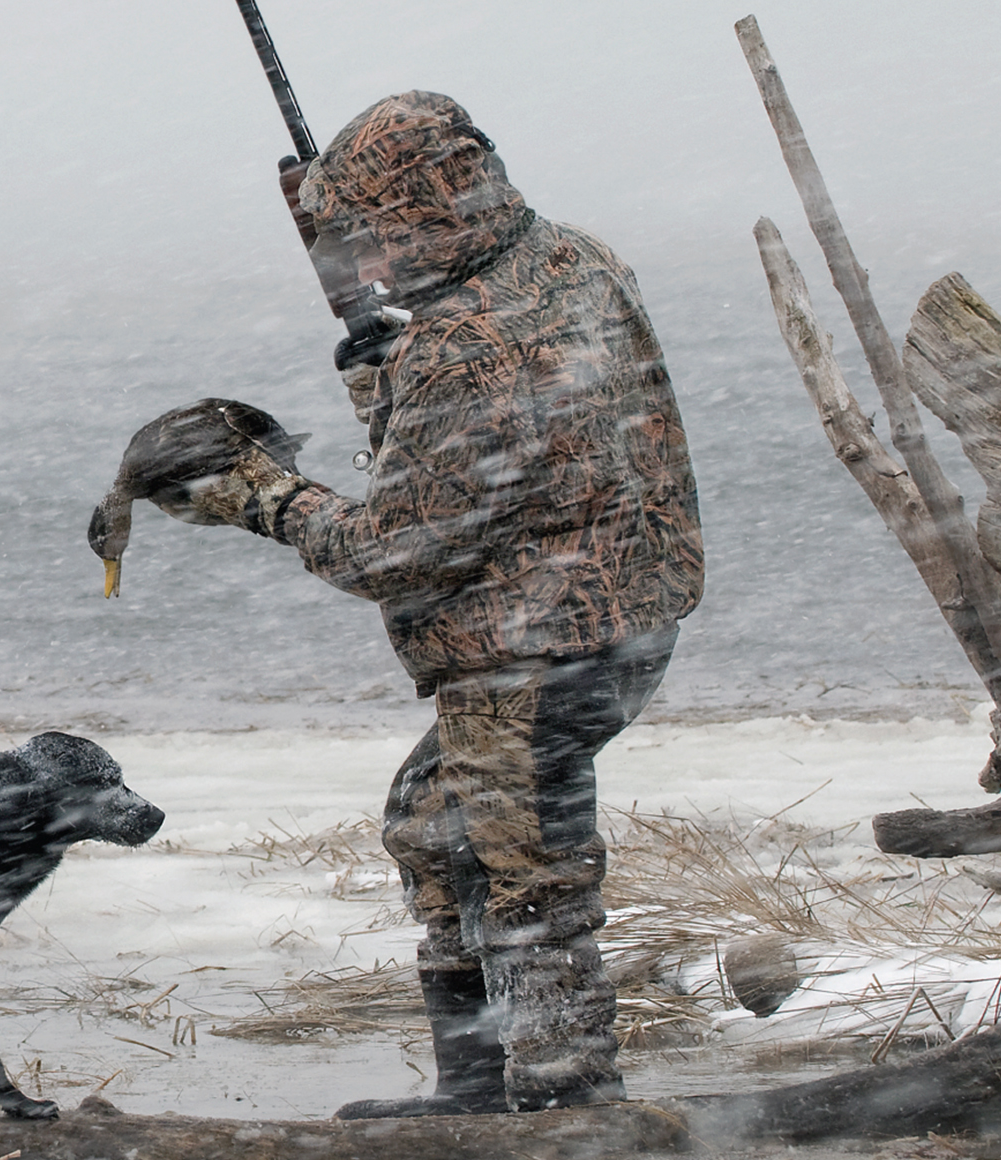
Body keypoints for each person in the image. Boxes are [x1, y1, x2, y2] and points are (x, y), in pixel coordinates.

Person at [168, 91, 704, 1116]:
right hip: (624, 621)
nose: (362, 261)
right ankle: (480, 1090)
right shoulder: (571, 260)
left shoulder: (459, 343)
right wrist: (383, 377)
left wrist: (259, 494)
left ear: (417, 214)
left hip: (535, 644)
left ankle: (565, 1107)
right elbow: (517, 443)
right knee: (436, 823)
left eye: (370, 233)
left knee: (523, 873)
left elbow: (397, 552)